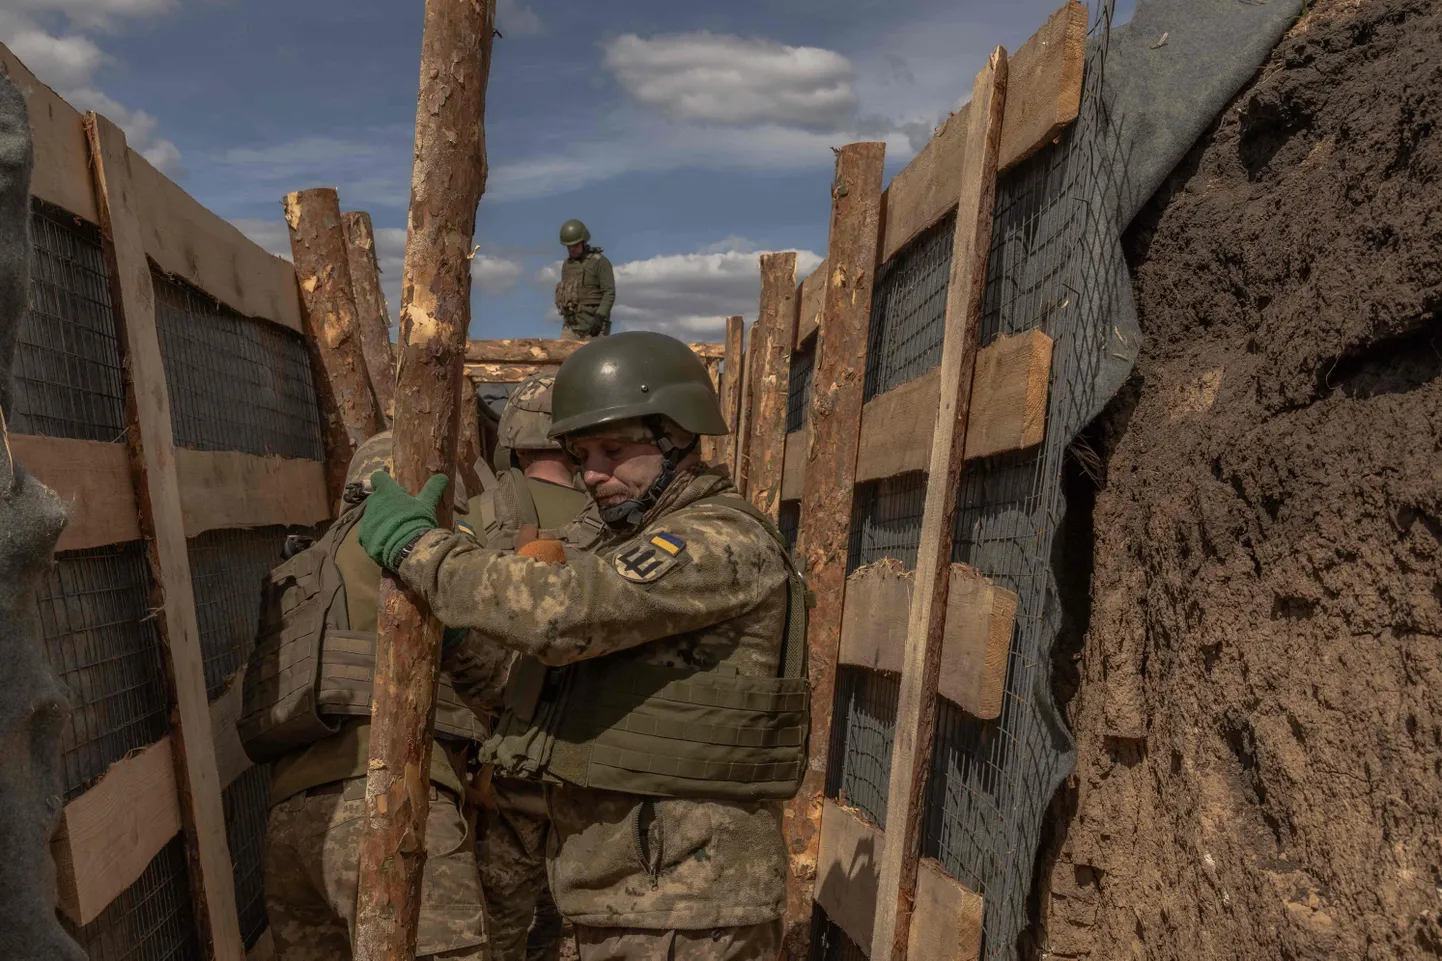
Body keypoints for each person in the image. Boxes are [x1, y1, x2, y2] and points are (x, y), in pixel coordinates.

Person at [355, 332, 810, 961]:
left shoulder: (720, 543)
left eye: (614, 450)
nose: (592, 474)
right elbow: (521, 687)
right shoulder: (620, 543)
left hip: (688, 908)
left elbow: (560, 615)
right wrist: (460, 637)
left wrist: (421, 550)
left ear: (678, 438)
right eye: (582, 454)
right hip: (622, 895)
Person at [239, 431, 504, 961]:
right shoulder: (422, 552)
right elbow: (499, 674)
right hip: (392, 806)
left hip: (292, 826)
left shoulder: (307, 564)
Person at [473, 372, 601, 961]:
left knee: (501, 920)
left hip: (504, 754)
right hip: (599, 754)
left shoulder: (477, 515)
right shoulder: (627, 519)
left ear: (514, 441)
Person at [553, 219, 614, 341]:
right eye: (569, 247)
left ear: (584, 242)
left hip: (594, 327)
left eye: (575, 246)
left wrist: (600, 316)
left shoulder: (600, 262)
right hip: (571, 327)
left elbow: (609, 292)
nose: (572, 249)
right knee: (563, 358)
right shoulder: (567, 265)